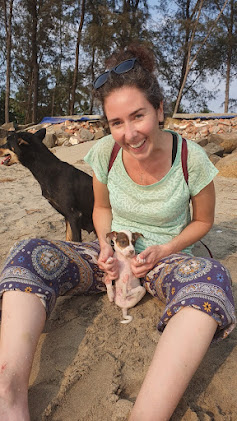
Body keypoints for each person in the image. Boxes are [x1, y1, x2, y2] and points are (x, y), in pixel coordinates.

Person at [0, 44, 235, 421]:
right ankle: (9, 396)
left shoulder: (192, 159)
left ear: (159, 110)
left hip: (161, 259)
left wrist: (164, 249)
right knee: (27, 251)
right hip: (108, 255)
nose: (129, 133)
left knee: (213, 280)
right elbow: (102, 209)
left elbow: (203, 222)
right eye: (116, 122)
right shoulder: (104, 154)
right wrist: (108, 248)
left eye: (137, 116)